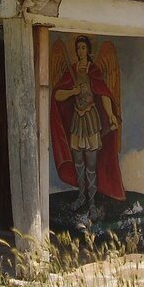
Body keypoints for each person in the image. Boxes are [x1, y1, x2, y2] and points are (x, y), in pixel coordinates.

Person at [51, 35, 125, 219]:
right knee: (78, 163)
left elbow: (103, 94)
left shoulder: (93, 70)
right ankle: (81, 197)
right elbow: (57, 95)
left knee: (91, 165)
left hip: (91, 119)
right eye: (78, 48)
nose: (80, 51)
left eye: (83, 47)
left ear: (88, 50)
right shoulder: (72, 70)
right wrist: (72, 92)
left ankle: (91, 203)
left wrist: (111, 115)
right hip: (77, 120)